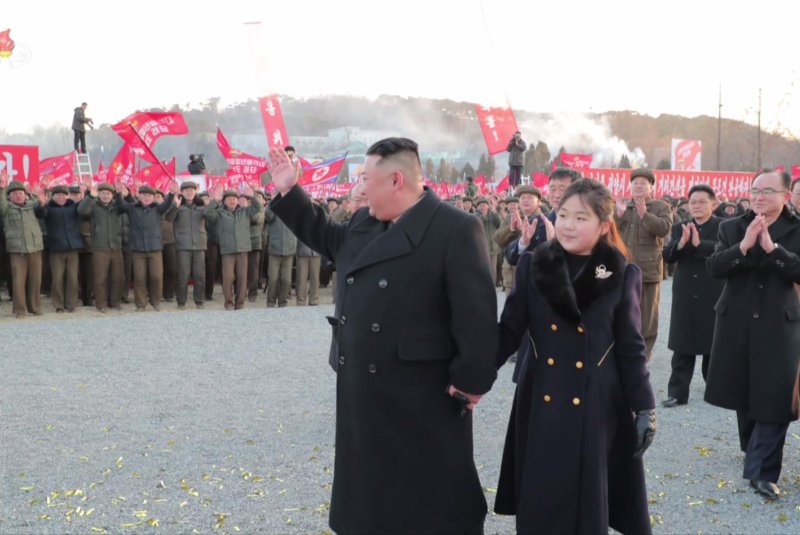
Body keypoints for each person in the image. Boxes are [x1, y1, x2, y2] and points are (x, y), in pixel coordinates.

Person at [267, 137, 498, 534]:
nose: (359, 188)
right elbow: (326, 236)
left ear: (396, 180)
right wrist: (290, 190)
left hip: (422, 392)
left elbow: (476, 315)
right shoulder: (364, 222)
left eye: (365, 179)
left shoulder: (455, 228)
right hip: (364, 390)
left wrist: (470, 381)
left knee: (428, 499)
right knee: (369, 498)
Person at [495, 178, 656, 534]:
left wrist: (645, 407)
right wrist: (469, 373)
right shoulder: (534, 265)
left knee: (586, 504)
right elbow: (507, 332)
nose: (568, 224)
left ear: (604, 225)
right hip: (542, 398)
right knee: (541, 496)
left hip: (594, 402)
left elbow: (631, 347)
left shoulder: (621, 273)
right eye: (564, 214)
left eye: (581, 218)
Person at [705, 169, 800, 500]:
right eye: (755, 190)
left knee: (777, 396)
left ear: (786, 196)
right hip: (737, 321)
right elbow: (715, 267)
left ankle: (763, 472)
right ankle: (752, 448)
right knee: (744, 390)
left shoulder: (797, 228)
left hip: (781, 322)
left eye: (768, 191)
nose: (759, 196)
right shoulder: (731, 226)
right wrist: (743, 247)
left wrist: (773, 250)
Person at [661, 185, 724, 407]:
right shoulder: (680, 227)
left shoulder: (723, 227)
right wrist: (680, 244)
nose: (696, 206)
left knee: (713, 345)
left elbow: (725, 252)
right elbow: (668, 256)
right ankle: (677, 393)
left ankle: (716, 390)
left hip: (712, 291)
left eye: (702, 201)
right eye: (693, 202)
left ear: (713, 204)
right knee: (682, 345)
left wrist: (699, 245)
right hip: (686, 292)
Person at [616, 168, 673, 361]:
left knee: (647, 319)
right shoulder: (623, 206)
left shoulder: (660, 206)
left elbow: (664, 229)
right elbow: (608, 232)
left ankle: (642, 358)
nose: (638, 186)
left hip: (647, 271)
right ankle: (621, 352)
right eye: (635, 183)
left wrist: (645, 215)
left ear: (651, 187)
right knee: (621, 313)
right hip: (623, 269)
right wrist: (618, 216)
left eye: (643, 183)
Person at [115, 184, 177, 311]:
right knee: (139, 277)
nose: (147, 198)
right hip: (138, 249)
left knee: (156, 276)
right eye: (144, 195)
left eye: (149, 196)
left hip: (155, 249)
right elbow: (120, 205)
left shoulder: (157, 209)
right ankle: (141, 304)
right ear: (139, 196)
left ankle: (155, 301)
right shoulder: (132, 208)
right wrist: (118, 193)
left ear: (153, 197)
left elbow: (167, 205)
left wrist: (171, 194)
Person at [205, 187, 261, 310]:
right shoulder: (219, 213)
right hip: (227, 250)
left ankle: (240, 303)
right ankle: (229, 302)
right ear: (224, 201)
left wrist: (253, 197)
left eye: (234, 198)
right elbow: (207, 213)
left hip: (243, 249)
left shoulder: (245, 211)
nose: (232, 201)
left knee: (242, 277)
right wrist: (215, 200)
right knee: (228, 277)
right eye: (229, 199)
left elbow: (258, 209)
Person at [0, 176, 47, 318]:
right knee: (18, 281)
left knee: (36, 280)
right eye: (14, 193)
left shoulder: (32, 205)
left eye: (20, 193)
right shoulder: (8, 209)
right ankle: (19, 310)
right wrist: (2, 188)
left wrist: (42, 202)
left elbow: (42, 213)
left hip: (35, 248)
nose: (18, 195)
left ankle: (35, 308)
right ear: (9, 197)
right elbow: (2, 206)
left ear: (25, 194)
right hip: (17, 250)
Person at [77, 182, 125, 312]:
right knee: (100, 278)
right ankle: (101, 304)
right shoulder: (94, 205)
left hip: (116, 247)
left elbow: (125, 207)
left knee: (117, 277)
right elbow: (81, 210)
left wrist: (120, 193)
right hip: (99, 247)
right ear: (99, 194)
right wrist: (90, 196)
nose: (105, 196)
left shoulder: (117, 206)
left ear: (112, 195)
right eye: (103, 193)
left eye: (108, 194)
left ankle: (115, 302)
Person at [41, 185, 84, 313]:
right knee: (57, 278)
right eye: (58, 195)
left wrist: (89, 195)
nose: (61, 197)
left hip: (72, 248)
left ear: (67, 196)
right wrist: (41, 203)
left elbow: (84, 208)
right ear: (53, 197)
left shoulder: (73, 207)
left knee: (72, 278)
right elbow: (40, 213)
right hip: (56, 248)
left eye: (63, 195)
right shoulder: (48, 207)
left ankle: (71, 304)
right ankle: (59, 305)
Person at [172, 181, 207, 309]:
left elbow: (211, 216)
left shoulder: (201, 206)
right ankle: (181, 302)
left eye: (192, 190)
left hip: (199, 246)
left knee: (200, 275)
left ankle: (199, 301)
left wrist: (213, 201)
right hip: (183, 246)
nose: (189, 192)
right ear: (181, 192)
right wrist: (175, 206)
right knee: (183, 275)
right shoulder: (177, 206)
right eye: (186, 190)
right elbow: (169, 218)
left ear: (195, 191)